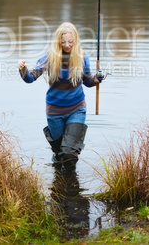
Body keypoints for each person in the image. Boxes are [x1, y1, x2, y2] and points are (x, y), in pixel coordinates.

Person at [18, 22, 102, 171]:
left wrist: (97, 78)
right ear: (58, 41)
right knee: (58, 154)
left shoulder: (82, 56)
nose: (67, 45)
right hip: (54, 111)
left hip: (77, 109)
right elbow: (30, 78)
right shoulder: (49, 57)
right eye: (63, 42)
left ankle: (70, 191)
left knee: (69, 154)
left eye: (70, 41)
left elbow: (87, 80)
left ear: (75, 40)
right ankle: (59, 180)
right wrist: (23, 69)